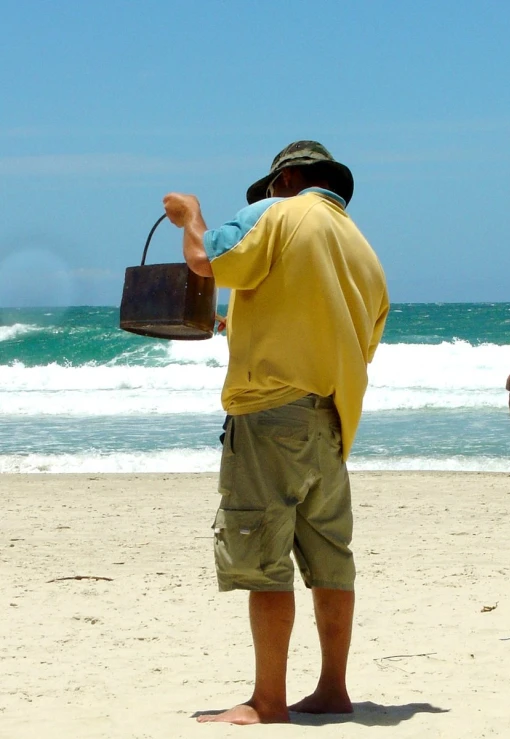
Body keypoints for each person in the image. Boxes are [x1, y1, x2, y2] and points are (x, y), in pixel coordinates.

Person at [163, 141, 389, 725]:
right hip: (331, 420)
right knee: (330, 560)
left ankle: (268, 701)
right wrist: (236, 323)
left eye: (269, 189)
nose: (265, 199)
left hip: (270, 415)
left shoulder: (281, 213)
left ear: (286, 179)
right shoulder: (363, 251)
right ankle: (334, 690)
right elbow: (346, 334)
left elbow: (207, 261)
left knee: (263, 555)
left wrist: (191, 217)